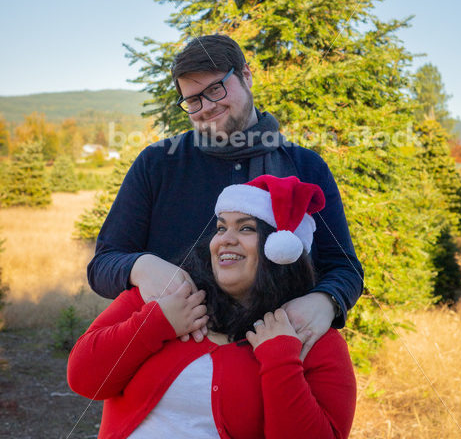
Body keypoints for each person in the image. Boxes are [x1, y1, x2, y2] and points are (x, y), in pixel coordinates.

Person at [87, 34, 363, 356]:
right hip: (171, 369)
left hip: (277, 363)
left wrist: (326, 301)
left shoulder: (305, 167)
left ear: (246, 75)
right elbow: (103, 265)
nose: (206, 108)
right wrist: (141, 266)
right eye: (193, 100)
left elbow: (344, 267)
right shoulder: (158, 164)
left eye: (216, 89)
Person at [69, 176, 357, 439]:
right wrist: (155, 323)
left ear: (280, 250)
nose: (224, 239)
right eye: (221, 227)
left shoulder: (309, 336)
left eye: (246, 228)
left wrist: (281, 361)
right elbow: (84, 379)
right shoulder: (164, 295)